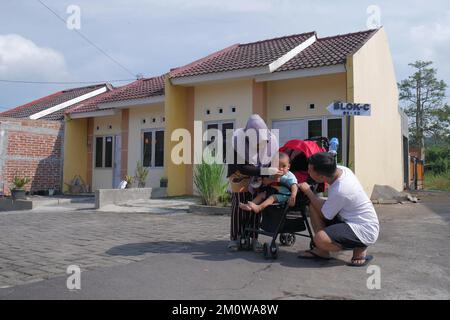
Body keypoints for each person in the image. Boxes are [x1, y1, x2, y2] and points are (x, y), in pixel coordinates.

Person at [298, 152, 379, 267]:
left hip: (364, 229)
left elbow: (325, 214)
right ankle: (322, 252)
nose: (308, 173)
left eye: (310, 171)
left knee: (320, 239)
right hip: (350, 219)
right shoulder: (341, 170)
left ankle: (360, 245)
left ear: (322, 177)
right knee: (314, 206)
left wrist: (308, 192)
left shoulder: (341, 189)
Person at [227, 114, 279, 251]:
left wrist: (272, 172)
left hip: (257, 177)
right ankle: (235, 238)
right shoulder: (237, 144)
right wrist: (266, 171)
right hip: (239, 176)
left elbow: (269, 161)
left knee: (255, 207)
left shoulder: (268, 141)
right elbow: (243, 167)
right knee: (239, 207)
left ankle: (254, 238)